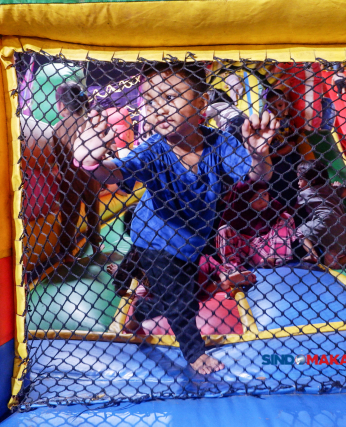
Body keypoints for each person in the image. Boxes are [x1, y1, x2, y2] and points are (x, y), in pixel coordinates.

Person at [71, 62, 278, 375]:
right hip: (154, 235)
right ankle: (194, 354)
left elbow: (256, 175)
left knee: (185, 299)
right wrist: (90, 160)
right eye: (151, 102)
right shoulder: (153, 149)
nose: (158, 110)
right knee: (180, 300)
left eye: (169, 99)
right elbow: (113, 172)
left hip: (191, 238)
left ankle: (140, 306)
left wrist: (259, 154)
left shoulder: (220, 143)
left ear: (202, 103)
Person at [53, 83, 103, 264]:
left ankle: (66, 252)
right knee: (93, 210)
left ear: (61, 105)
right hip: (91, 174)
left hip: (68, 175)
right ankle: (96, 243)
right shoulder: (89, 123)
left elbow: (57, 157)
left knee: (69, 214)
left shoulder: (58, 127)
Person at [216, 180, 295, 274]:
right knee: (223, 230)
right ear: (244, 199)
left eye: (265, 194)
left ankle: (273, 258)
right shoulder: (235, 210)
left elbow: (281, 230)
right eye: (256, 198)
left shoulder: (274, 206)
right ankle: (234, 270)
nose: (262, 201)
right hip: (247, 248)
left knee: (286, 217)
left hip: (269, 248)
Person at [293, 160, 346, 269]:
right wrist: (339, 186)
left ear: (313, 181)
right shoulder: (331, 188)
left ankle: (312, 254)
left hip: (323, 222)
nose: (298, 183)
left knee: (299, 232)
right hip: (340, 224)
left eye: (300, 179)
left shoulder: (304, 193)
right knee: (333, 264)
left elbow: (294, 209)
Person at [262, 88, 312, 213]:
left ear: (286, 104)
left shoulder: (289, 120)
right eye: (272, 106)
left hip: (288, 151)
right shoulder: (268, 120)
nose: (277, 109)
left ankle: (298, 204)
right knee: (280, 175)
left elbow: (293, 139)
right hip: (274, 153)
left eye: (280, 105)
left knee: (298, 167)